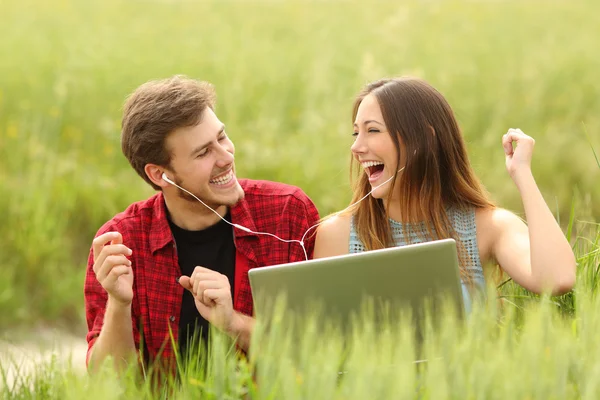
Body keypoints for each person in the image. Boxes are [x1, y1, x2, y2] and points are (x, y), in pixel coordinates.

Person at [84, 75, 320, 374]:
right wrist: (119, 303)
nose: (226, 157)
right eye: (203, 152)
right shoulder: (121, 242)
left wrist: (232, 322)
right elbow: (108, 384)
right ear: (160, 175)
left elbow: (320, 351)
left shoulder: (287, 212)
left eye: (221, 138)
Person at [314, 77, 576, 310]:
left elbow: (557, 279)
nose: (356, 147)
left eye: (372, 130)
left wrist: (523, 174)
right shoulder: (337, 234)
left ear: (421, 141)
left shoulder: (488, 226)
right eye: (356, 132)